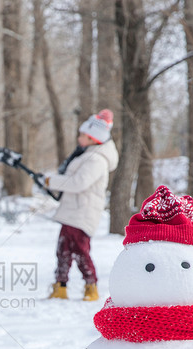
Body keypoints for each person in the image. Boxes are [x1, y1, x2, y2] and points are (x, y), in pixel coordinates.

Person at [38, 109, 119, 302]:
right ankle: (60, 286)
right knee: (63, 249)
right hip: (73, 212)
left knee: (80, 250)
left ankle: (91, 286)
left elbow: (78, 183)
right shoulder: (88, 154)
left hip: (83, 213)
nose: (79, 137)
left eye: (83, 135)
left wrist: (51, 181)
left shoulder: (97, 159)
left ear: (93, 138)